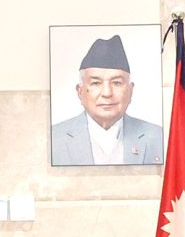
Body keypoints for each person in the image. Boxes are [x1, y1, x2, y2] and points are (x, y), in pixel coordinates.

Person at [49, 34, 164, 166]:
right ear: (80, 92)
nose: (107, 93)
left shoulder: (158, 136)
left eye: (117, 83)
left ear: (130, 91)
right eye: (96, 83)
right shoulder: (53, 138)